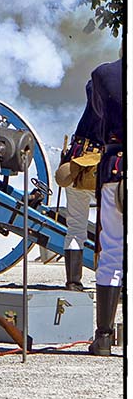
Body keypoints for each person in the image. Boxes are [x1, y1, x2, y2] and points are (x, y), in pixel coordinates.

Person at [88, 58, 124, 356]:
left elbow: (98, 119)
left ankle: (103, 338)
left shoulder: (103, 74)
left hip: (117, 168)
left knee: (111, 251)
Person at [55, 81, 102, 291]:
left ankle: (73, 282)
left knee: (75, 228)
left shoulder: (98, 84)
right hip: (102, 166)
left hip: (75, 162)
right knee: (114, 229)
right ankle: (113, 282)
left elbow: (90, 85)